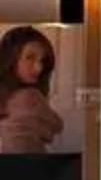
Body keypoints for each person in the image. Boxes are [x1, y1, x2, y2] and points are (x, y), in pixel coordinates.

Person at [0, 26, 62, 156]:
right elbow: (57, 125)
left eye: (42, 60)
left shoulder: (6, 96)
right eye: (30, 57)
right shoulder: (30, 96)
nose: (39, 68)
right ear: (10, 58)